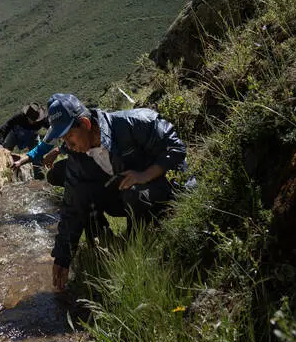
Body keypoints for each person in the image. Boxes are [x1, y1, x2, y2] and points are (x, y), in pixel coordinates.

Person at [39, 93, 187, 291]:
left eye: (69, 136)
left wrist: (146, 174)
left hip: (161, 189)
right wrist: (62, 257)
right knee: (85, 196)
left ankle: (137, 248)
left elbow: (176, 148)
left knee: (132, 191)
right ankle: (102, 243)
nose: (67, 145)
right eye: (63, 140)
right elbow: (73, 206)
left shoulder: (134, 123)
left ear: (85, 123)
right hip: (125, 195)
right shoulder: (78, 156)